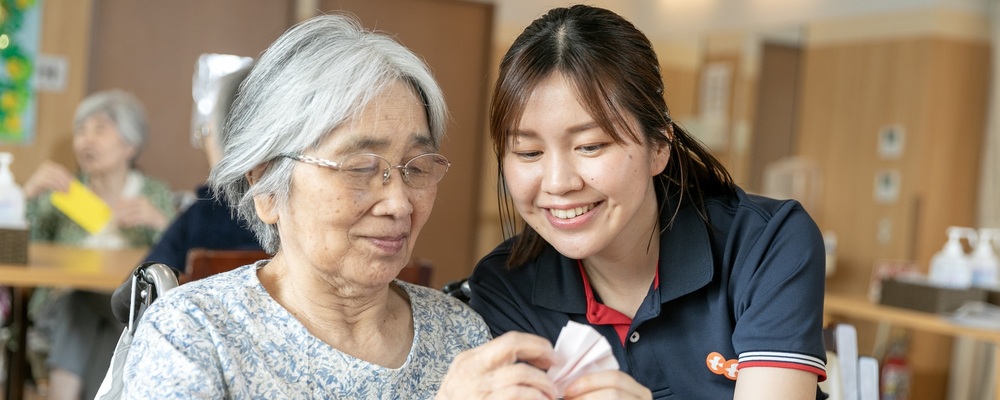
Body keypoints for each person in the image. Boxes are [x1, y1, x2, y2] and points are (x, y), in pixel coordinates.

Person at [120, 14, 559, 399]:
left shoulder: (460, 335)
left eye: (416, 167)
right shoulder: (195, 332)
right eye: (361, 167)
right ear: (267, 188)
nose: (399, 202)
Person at [468, 5, 828, 400]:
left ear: (659, 146)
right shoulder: (505, 287)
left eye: (590, 146)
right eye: (528, 152)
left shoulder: (767, 244)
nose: (558, 184)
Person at [22, 89, 175, 400]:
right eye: (81, 130)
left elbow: (177, 262)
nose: (86, 140)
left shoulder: (153, 195)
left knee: (110, 321)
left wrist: (161, 224)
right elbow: (21, 251)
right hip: (61, 307)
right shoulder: (60, 192)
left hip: (127, 309)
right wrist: (26, 197)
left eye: (100, 129)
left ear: (130, 145)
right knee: (80, 303)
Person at [141, 58, 262, 271]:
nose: (205, 143)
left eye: (206, 132)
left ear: (226, 137)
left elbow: (136, 294)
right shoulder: (302, 213)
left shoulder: (204, 215)